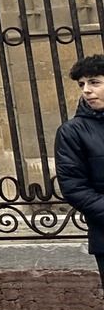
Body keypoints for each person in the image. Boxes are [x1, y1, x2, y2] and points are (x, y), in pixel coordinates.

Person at [55, 53, 104, 289]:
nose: (87, 90)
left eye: (95, 82)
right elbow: (74, 187)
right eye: (82, 84)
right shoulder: (72, 131)